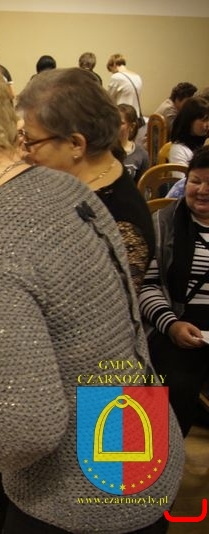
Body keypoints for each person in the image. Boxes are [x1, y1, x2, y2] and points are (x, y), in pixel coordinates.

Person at [0, 43, 184, 534]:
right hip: (143, 445)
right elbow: (81, 338)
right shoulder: (68, 187)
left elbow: (24, 426)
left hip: (81, 490)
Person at [16, 68, 155, 291]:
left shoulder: (123, 224)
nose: (25, 151)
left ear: (76, 144)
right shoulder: (70, 183)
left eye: (31, 141)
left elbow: (100, 303)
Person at [140, 145, 209, 437]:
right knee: (175, 383)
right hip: (177, 319)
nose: (202, 190)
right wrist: (171, 324)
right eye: (195, 181)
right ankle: (164, 455)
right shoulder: (163, 222)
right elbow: (146, 285)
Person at [164, 96, 209, 198]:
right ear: (189, 121)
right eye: (203, 120)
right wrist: (205, 153)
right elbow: (183, 184)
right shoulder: (179, 149)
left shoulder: (203, 140)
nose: (207, 124)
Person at [118, 103, 150, 182]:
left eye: (120, 123)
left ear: (132, 126)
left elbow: (143, 185)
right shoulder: (103, 151)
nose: (115, 126)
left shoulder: (142, 154)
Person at [106, 53, 143, 120]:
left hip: (122, 116)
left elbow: (108, 98)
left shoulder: (116, 77)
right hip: (135, 116)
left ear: (114, 65)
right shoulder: (137, 77)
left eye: (111, 70)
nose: (112, 73)